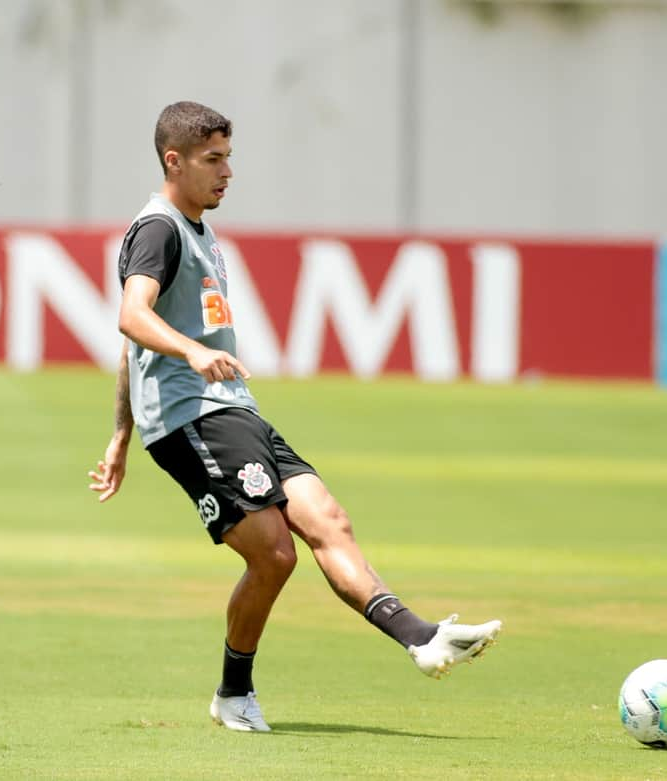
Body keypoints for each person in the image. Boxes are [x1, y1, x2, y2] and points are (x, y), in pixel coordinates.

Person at [88, 101, 502, 733]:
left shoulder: (198, 229)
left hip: (233, 408)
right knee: (274, 555)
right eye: (213, 159)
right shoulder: (159, 230)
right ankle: (233, 694)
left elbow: (132, 348)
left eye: (230, 157)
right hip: (191, 419)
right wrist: (193, 355)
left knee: (327, 519)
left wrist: (119, 433)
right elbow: (131, 317)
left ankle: (422, 637)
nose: (228, 172)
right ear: (174, 161)